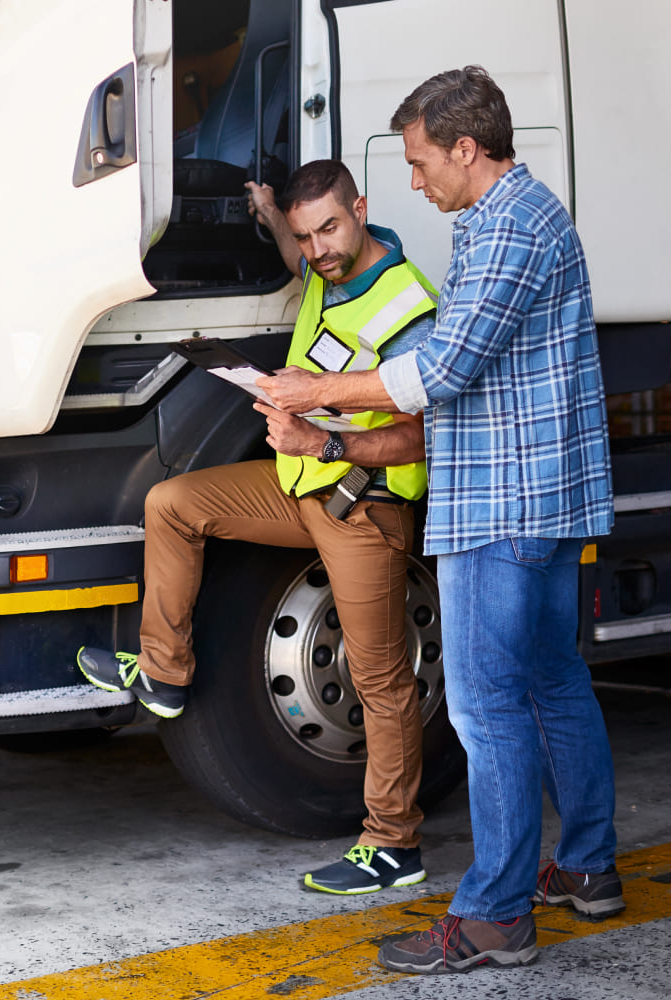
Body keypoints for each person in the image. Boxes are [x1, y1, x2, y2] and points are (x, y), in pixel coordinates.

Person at [257, 66, 623, 974]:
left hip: (503, 504)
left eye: (422, 163)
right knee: (552, 681)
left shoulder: (506, 227)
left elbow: (439, 372)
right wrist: (331, 431)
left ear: (467, 148)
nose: (414, 184)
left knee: (486, 706)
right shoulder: (519, 220)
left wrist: (316, 391)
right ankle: (585, 867)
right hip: (533, 496)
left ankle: (495, 915)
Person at [77, 159, 441, 895]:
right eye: (307, 237)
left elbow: (424, 438)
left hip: (363, 509)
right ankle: (165, 675)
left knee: (381, 682)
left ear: (362, 210)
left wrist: (327, 442)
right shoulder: (322, 270)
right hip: (302, 488)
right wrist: (273, 214)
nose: (317, 251)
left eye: (329, 230)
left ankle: (394, 844)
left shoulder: (407, 308)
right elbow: (293, 254)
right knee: (172, 505)